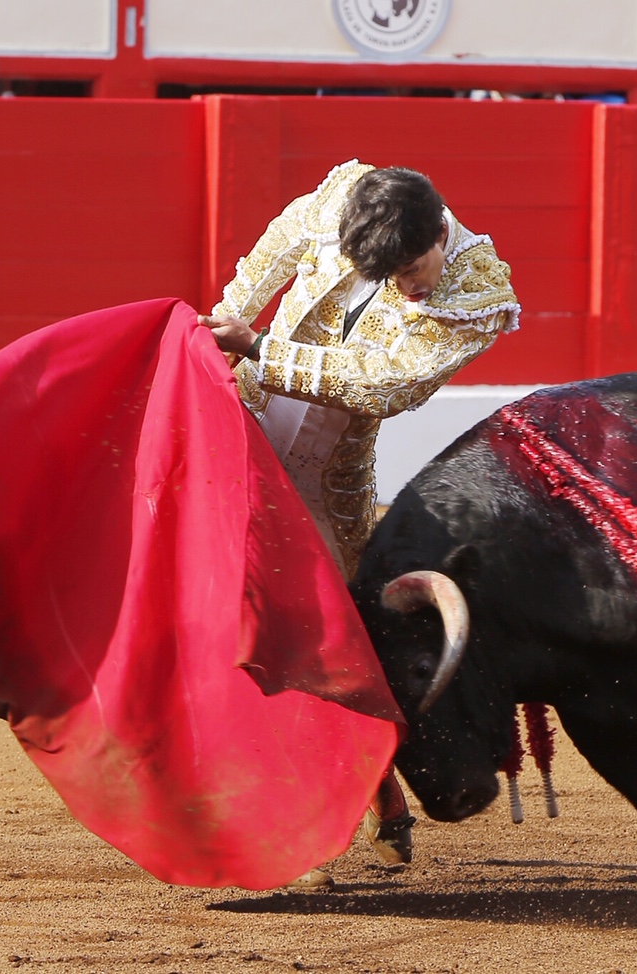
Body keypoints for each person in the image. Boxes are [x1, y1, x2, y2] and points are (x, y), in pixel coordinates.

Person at [197, 159, 520, 882]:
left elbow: (386, 383)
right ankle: (373, 800)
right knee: (234, 624)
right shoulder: (353, 192)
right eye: (391, 274)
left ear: (439, 235)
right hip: (244, 429)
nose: (408, 286)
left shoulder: (478, 290)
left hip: (326, 480)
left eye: (412, 270)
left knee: (327, 641)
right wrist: (227, 320)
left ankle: (332, 811)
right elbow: (281, 243)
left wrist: (257, 345)